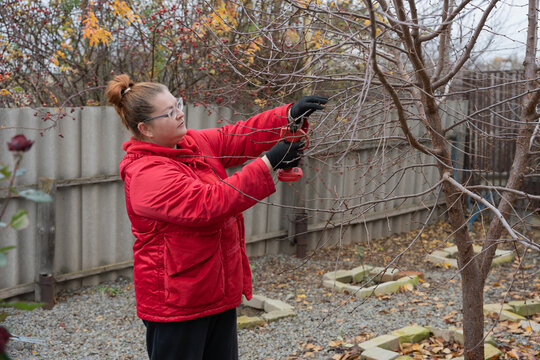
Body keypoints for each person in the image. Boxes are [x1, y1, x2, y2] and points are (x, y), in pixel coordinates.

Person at [105, 74, 327, 360]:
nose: (180, 113)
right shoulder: (146, 174)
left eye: (178, 104)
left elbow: (236, 136)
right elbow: (209, 204)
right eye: (170, 112)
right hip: (178, 305)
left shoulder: (191, 143)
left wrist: (287, 116)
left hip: (215, 292)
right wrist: (269, 162)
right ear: (145, 128)